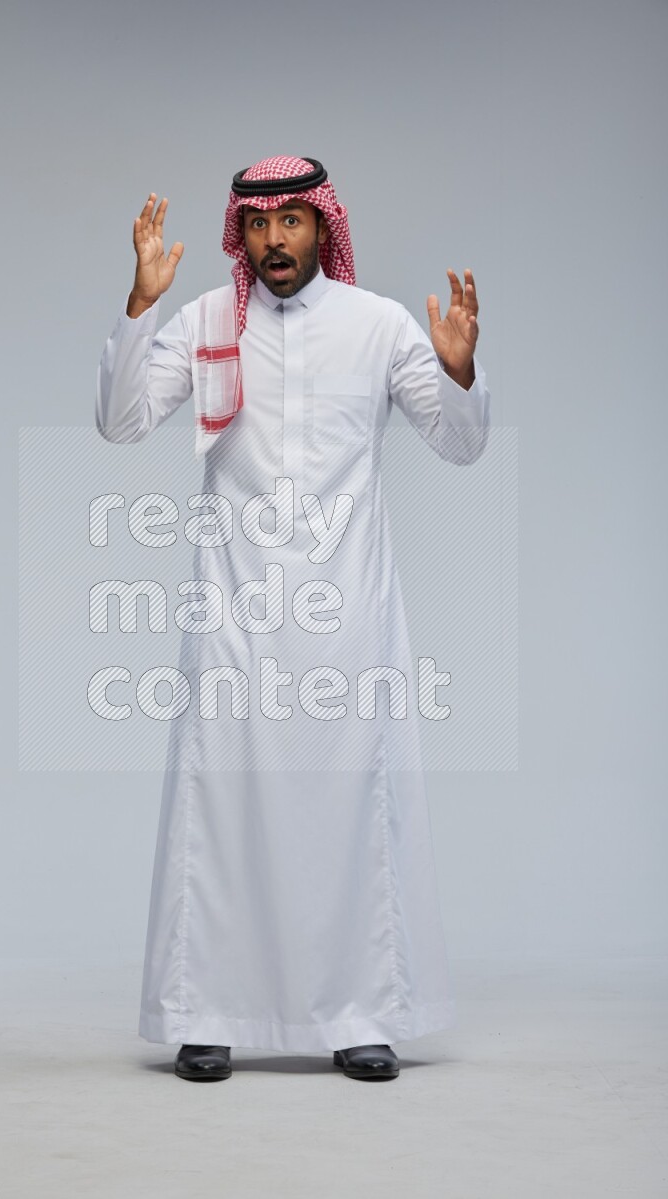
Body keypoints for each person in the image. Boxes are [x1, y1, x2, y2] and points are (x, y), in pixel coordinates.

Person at [95, 155, 490, 1082]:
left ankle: (361, 1015)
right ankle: (206, 1012)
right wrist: (139, 302)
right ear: (243, 231)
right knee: (222, 808)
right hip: (234, 609)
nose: (276, 239)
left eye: (293, 221)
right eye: (261, 223)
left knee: (353, 807)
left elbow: (460, 443)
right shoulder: (203, 319)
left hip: (348, 613)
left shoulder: (380, 326)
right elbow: (119, 423)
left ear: (323, 226)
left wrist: (462, 370)